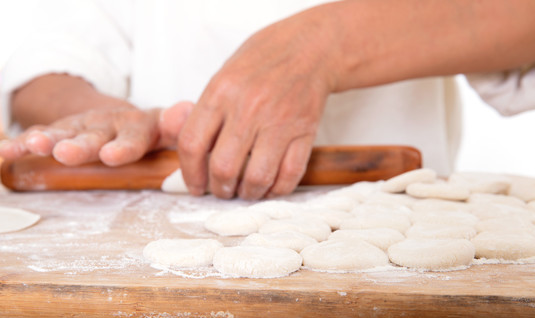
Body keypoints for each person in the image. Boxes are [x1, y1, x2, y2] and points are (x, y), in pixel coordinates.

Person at [1, 0, 534, 200]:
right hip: (159, 230)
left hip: (401, 234)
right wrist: (105, 118)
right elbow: (45, 59)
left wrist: (326, 44)